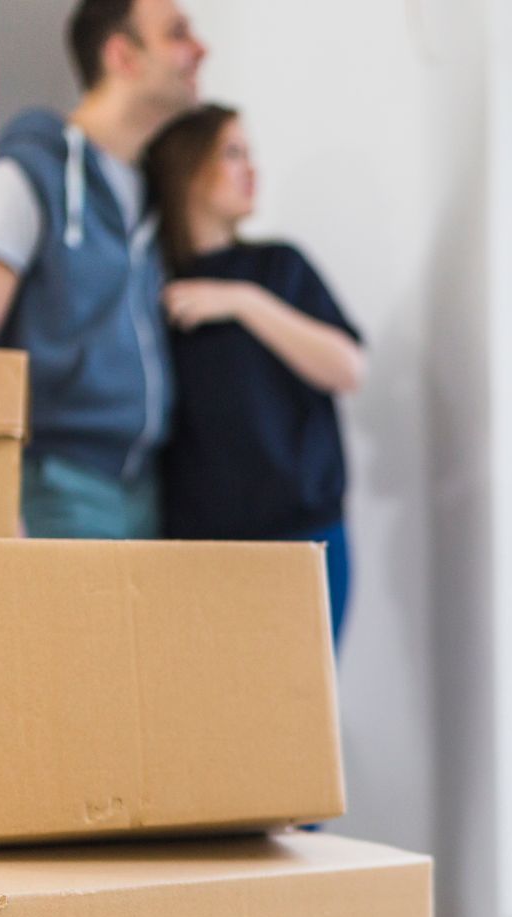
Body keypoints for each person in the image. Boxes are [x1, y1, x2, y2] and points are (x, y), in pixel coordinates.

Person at [142, 105, 366, 643]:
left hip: (305, 538)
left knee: (302, 716)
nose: (252, 170)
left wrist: (243, 303)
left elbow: (347, 368)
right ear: (187, 170)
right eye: (233, 153)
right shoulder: (151, 289)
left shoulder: (277, 268)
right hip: (199, 556)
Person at [0, 0, 206, 538]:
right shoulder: (31, 172)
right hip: (57, 484)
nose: (201, 49)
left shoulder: (153, 192)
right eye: (177, 34)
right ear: (122, 55)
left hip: (142, 489)